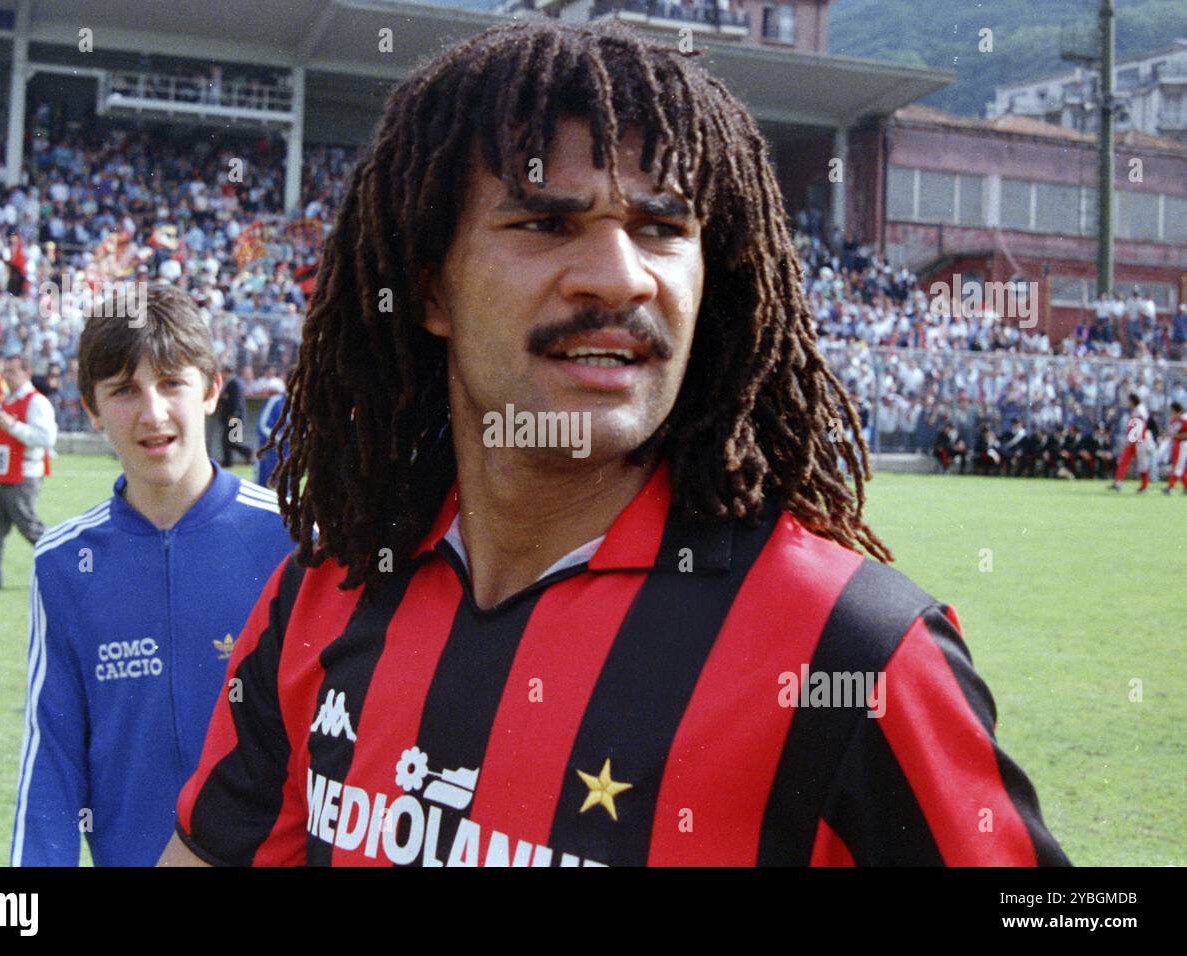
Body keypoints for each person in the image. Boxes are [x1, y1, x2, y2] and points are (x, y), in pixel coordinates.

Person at [160, 19, 1068, 867]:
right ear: (430, 291)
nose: (618, 276)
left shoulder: (851, 655)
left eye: (661, 227)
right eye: (546, 222)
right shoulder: (324, 596)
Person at [10, 284, 296, 866]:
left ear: (213, 389)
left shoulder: (295, 544)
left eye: (172, 383)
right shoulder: (65, 563)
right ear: (89, 410)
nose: (153, 413)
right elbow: (52, 763)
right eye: (123, 391)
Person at [0, 354, 55, 589]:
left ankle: (65, 561)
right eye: (6, 371)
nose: (7, 376)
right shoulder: (6, 399)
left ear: (27, 373)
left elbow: (45, 438)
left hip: (23, 474)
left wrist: (11, 425)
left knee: (29, 526)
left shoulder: (37, 402)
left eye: (13, 371)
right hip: (0, 471)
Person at [1109, 393, 1152, 493]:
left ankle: (1144, 486)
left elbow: (1140, 427)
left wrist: (1131, 441)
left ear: (1132, 401)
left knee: (1142, 464)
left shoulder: (1140, 411)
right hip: (1134, 440)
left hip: (1140, 441)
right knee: (1124, 460)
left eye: (1129, 401)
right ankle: (1118, 482)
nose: (1128, 403)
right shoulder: (1136, 410)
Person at [215, 361, 252, 466]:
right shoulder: (233, 382)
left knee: (231, 441)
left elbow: (237, 401)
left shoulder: (234, 383)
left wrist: (233, 415)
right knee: (227, 441)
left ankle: (247, 452)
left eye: (222, 372)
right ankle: (228, 462)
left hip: (234, 417)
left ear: (226, 371)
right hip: (231, 416)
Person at [1164, 401, 1187, 494]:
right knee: (1179, 466)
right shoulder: (1174, 420)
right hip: (1175, 444)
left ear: (1177, 411)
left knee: (1177, 466)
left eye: (1172, 411)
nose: (1171, 413)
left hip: (1183, 444)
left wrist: (1177, 435)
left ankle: (1171, 486)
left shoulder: (1184, 419)